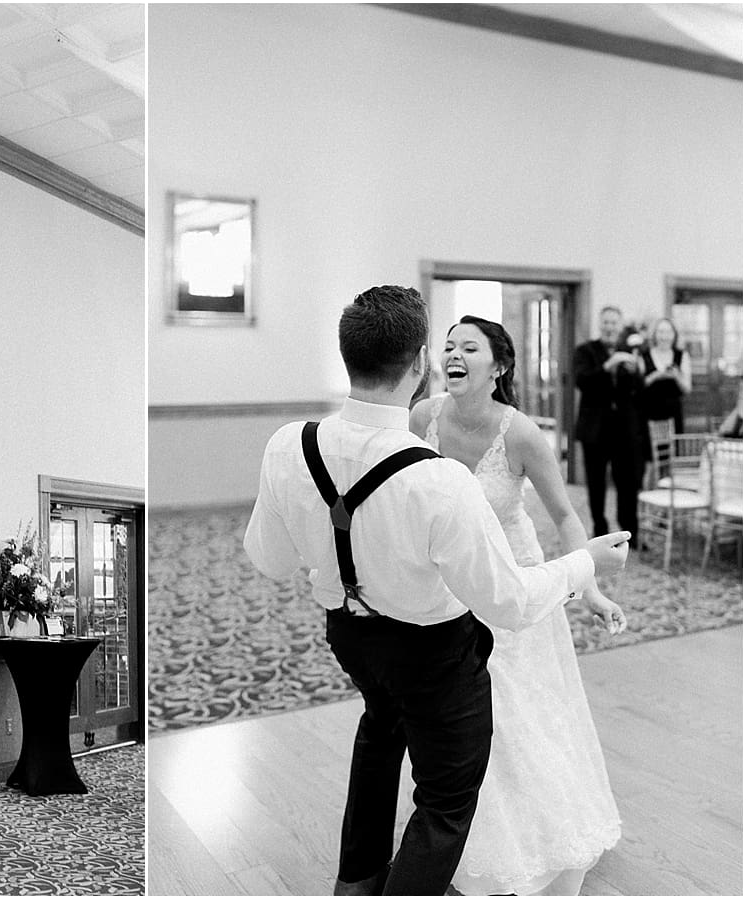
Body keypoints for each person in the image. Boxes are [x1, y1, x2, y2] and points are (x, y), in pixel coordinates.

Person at [243, 285, 629, 896]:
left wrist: (330, 549)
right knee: (447, 800)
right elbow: (507, 602)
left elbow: (267, 560)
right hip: (433, 647)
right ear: (421, 363)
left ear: (348, 353)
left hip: (349, 634)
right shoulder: (440, 477)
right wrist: (585, 567)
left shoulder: (288, 445)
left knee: (379, 731)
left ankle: (358, 881)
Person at [409, 315, 624, 895]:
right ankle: (472, 836)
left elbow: (565, 516)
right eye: (448, 346)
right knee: (465, 720)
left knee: (520, 713)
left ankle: (539, 834)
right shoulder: (424, 417)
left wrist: (590, 587)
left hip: (518, 584)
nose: (453, 355)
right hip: (451, 587)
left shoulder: (522, 434)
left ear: (498, 366)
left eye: (468, 347)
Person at [574, 306, 647, 546]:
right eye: (606, 322)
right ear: (600, 324)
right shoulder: (585, 351)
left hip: (625, 429)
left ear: (620, 325)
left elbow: (638, 390)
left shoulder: (631, 352)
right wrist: (608, 366)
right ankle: (600, 531)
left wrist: (636, 372)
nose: (609, 327)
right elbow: (582, 381)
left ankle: (629, 533)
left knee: (627, 483)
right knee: (596, 484)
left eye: (614, 323)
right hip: (594, 429)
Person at [640, 317, 691, 435]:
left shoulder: (682, 356)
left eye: (668, 332)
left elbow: (687, 389)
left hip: (673, 415)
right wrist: (655, 376)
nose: (664, 336)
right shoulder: (644, 356)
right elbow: (638, 387)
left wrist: (676, 376)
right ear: (654, 334)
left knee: (674, 449)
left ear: (674, 334)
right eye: (661, 332)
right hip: (649, 414)